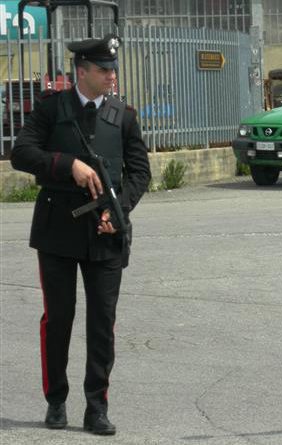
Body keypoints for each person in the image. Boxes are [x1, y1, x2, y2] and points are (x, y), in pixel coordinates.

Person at [10, 34, 151, 435]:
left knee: (102, 322)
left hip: (105, 234)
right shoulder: (52, 109)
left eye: (113, 69)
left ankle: (96, 408)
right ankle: (56, 401)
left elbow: (140, 172)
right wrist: (66, 164)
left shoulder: (123, 115)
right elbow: (21, 152)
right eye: (104, 69)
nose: (111, 76)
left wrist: (117, 209)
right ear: (82, 71)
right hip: (57, 231)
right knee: (59, 319)